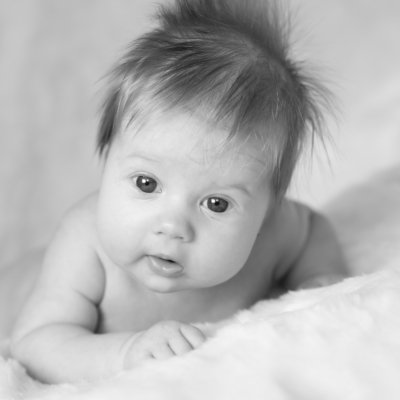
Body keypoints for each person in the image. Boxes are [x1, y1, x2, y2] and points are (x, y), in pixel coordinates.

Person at [10, 0, 348, 383]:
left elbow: (312, 229)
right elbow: (33, 344)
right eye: (147, 183)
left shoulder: (275, 234)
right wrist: (126, 352)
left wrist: (320, 277)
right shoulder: (85, 245)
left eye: (216, 204)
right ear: (106, 159)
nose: (172, 226)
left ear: (268, 208)